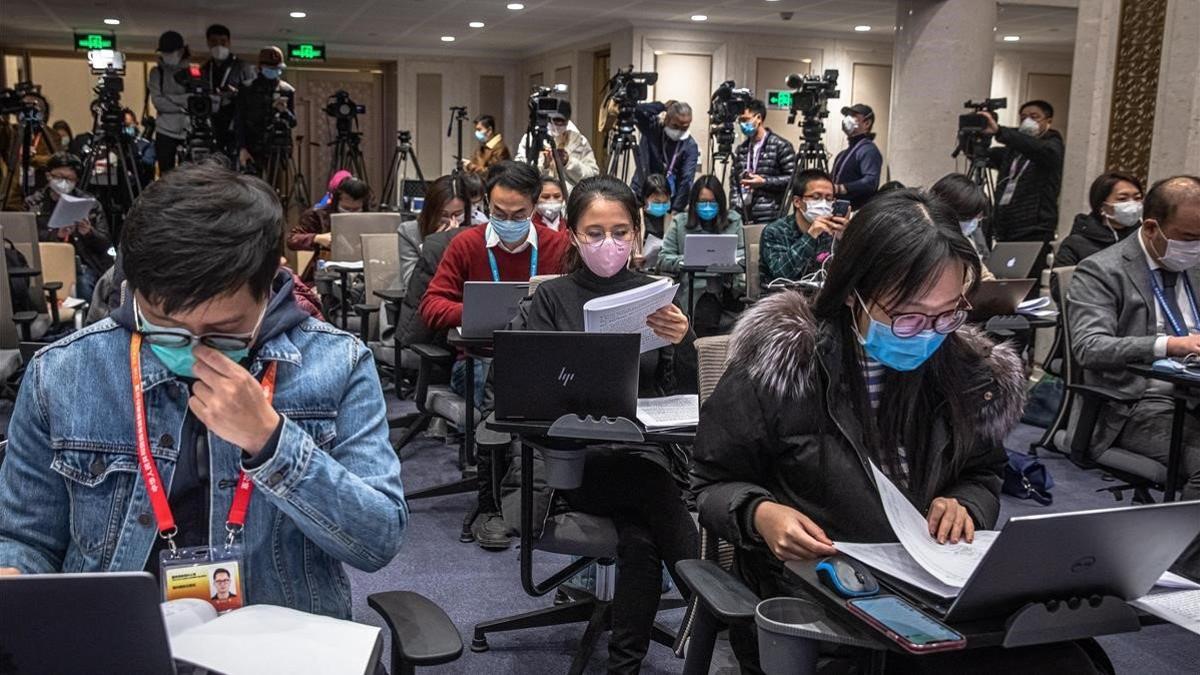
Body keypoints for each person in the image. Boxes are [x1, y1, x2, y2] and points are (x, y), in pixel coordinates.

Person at [691, 189, 1112, 673]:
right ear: (854, 290)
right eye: (908, 314)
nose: (929, 332)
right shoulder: (783, 363)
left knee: (1069, 661)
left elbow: (984, 473)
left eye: (948, 312)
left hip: (935, 587)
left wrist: (967, 503)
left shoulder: (969, 369)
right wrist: (761, 513)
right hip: (823, 595)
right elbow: (711, 483)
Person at [0, 162, 408, 620]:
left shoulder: (337, 364)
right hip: (114, 636)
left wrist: (272, 442)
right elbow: (25, 538)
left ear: (272, 284)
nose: (194, 352)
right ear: (134, 291)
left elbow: (378, 541)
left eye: (222, 333)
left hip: (277, 645)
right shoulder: (64, 373)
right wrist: (14, 572)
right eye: (167, 328)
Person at [503, 175, 699, 673]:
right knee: (655, 496)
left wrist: (683, 340)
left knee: (640, 537)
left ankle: (624, 665)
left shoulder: (657, 296)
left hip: (644, 447)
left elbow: (689, 392)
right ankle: (709, 596)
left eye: (619, 231)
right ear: (572, 234)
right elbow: (525, 393)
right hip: (574, 460)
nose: (607, 243)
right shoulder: (550, 299)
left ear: (636, 232)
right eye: (594, 232)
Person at [419, 160, 571, 550]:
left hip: (542, 359)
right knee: (502, 387)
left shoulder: (558, 246)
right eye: (498, 213)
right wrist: (476, 314)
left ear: (535, 208)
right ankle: (495, 506)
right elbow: (431, 306)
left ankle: (539, 499)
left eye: (518, 214)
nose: (508, 221)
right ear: (486, 203)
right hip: (479, 358)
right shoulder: (466, 244)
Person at [1069, 174, 1200, 581]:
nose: (1194, 247)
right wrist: (1168, 345)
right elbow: (1090, 347)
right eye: (1188, 236)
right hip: (1134, 406)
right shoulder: (1102, 270)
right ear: (1150, 227)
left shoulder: (1195, 268)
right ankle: (1177, 574)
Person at [983, 100, 1064, 282]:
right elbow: (985, 155)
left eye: (1034, 117)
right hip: (1007, 227)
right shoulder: (1014, 151)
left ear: (1048, 121)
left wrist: (1000, 131)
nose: (1027, 121)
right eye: (1023, 118)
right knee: (1003, 281)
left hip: (1034, 229)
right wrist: (974, 136)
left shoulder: (1052, 144)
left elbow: (1038, 150)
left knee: (1026, 284)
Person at [659, 175, 745, 335]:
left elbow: (744, 255)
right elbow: (663, 259)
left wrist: (730, 259)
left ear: (720, 202)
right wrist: (688, 260)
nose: (707, 206)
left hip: (726, 289)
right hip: (691, 291)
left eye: (712, 202)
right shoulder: (680, 222)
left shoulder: (733, 220)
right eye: (702, 202)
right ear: (694, 203)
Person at [24, 152, 112, 301]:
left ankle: (84, 323)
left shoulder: (90, 204)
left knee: (84, 287)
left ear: (76, 180)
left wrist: (89, 233)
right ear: (48, 176)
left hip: (82, 264)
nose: (63, 182)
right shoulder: (33, 203)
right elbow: (26, 239)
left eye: (69, 179)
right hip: (44, 264)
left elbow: (105, 244)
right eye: (58, 177)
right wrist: (55, 235)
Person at [759, 169, 841, 290]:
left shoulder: (831, 232)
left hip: (822, 298)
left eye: (829, 199)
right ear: (797, 201)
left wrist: (846, 238)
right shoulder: (775, 231)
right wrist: (811, 235)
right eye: (816, 197)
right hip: (784, 300)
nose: (823, 204)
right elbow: (782, 275)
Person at [288, 175, 370, 282]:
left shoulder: (370, 217)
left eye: (356, 209)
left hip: (363, 271)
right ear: (337, 201)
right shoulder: (319, 215)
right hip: (326, 273)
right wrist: (317, 238)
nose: (350, 213)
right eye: (346, 209)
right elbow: (291, 239)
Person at [1056, 171, 1144, 268]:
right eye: (1122, 199)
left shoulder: (1143, 239)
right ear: (1102, 206)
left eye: (1137, 198)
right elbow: (1063, 281)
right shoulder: (1076, 244)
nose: (1132, 204)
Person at [733, 99, 796, 224]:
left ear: (758, 118)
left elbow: (793, 179)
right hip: (743, 213)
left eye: (745, 119)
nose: (742, 124)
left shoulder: (781, 146)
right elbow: (734, 182)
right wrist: (734, 209)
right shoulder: (742, 149)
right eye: (740, 121)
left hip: (770, 214)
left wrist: (764, 182)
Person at [399, 175, 466, 291]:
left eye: (457, 214)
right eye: (443, 215)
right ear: (431, 211)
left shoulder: (474, 229)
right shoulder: (409, 232)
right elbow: (412, 283)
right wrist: (436, 247)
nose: (451, 221)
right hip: (419, 301)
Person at [631, 100, 699, 213]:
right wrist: (661, 106)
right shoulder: (652, 128)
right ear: (667, 119)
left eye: (684, 128)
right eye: (675, 126)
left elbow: (687, 180)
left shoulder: (690, 145)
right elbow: (637, 111)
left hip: (668, 201)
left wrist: (676, 209)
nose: (679, 131)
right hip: (641, 193)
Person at [235, 47, 296, 174]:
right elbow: (239, 120)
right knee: (252, 185)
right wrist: (242, 147)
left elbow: (293, 122)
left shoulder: (286, 90)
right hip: (253, 145)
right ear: (260, 67)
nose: (274, 71)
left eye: (276, 68)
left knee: (275, 187)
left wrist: (284, 111)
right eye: (270, 68)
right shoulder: (247, 88)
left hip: (277, 146)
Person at [514, 102, 599, 191]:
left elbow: (593, 177)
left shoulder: (579, 141)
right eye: (550, 119)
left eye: (559, 120)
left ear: (567, 120)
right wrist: (543, 165)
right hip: (538, 196)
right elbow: (519, 174)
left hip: (569, 199)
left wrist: (569, 163)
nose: (554, 125)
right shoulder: (532, 139)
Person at [201, 24, 255, 161]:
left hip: (236, 124)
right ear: (208, 43)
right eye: (214, 42)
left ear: (229, 43)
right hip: (212, 124)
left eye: (223, 42)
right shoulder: (205, 69)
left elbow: (253, 96)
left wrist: (236, 93)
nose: (219, 46)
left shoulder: (243, 67)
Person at [929, 173, 996, 280]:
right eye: (969, 217)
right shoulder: (923, 245)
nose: (974, 223)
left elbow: (985, 276)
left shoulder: (968, 243)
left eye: (978, 218)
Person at [148, 30, 192, 174]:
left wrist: (171, 98)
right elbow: (158, 101)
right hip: (165, 131)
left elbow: (193, 100)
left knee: (189, 174)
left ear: (181, 51)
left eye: (170, 52)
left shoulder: (191, 73)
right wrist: (182, 105)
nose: (167, 55)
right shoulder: (156, 73)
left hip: (188, 130)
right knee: (166, 172)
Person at [831, 103, 883, 209]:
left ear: (867, 123)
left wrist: (841, 188)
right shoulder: (844, 153)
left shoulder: (868, 150)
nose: (847, 119)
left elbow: (870, 182)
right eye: (847, 116)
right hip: (839, 208)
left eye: (854, 116)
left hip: (856, 211)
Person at [639, 173, 673, 242]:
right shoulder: (636, 218)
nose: (661, 205)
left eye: (665, 202)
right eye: (657, 202)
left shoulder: (672, 221)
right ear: (645, 199)